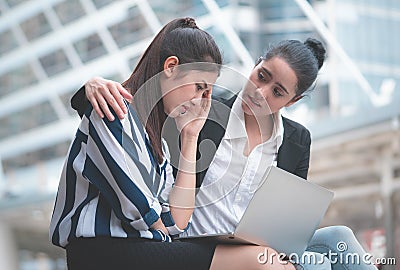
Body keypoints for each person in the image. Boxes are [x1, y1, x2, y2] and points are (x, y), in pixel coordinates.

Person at [70, 37, 378, 270]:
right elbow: (146, 102)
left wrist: (284, 244)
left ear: (292, 102)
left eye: (278, 92)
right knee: (320, 265)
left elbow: (290, 223)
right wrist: (90, 87)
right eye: (262, 75)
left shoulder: (297, 139)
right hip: (201, 240)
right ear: (256, 65)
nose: (260, 92)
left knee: (340, 238)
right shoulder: (206, 106)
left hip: (253, 241)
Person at [50, 17, 302, 270]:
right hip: (103, 252)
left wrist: (191, 136)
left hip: (146, 247)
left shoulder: (160, 140)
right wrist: (167, 226)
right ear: (171, 67)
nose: (200, 101)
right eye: (199, 87)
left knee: (288, 256)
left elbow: (177, 221)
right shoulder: (114, 110)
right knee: (262, 263)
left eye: (207, 93)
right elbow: (140, 213)